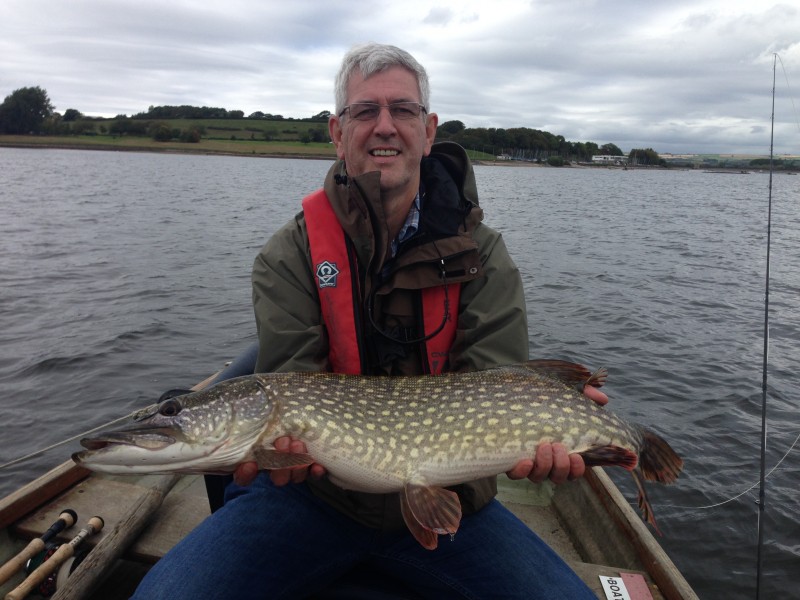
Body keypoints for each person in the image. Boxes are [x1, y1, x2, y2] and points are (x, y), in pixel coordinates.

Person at [133, 42, 607, 600]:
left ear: (429, 131)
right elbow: (291, 386)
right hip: (311, 504)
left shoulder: (486, 255)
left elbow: (498, 381)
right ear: (337, 132)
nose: (385, 127)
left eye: (402, 110)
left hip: (455, 504)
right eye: (364, 112)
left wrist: (543, 443)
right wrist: (269, 458)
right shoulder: (290, 255)